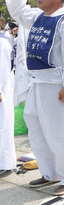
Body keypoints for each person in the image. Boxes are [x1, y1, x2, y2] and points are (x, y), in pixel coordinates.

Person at [5, 0, 64, 195]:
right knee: (36, 130)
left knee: (60, 132)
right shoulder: (39, 17)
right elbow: (19, 13)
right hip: (37, 83)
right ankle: (50, 173)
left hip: (57, 84)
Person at [0, 32, 15, 176]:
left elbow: (3, 68)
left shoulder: (2, 42)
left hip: (2, 90)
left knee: (3, 126)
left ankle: (5, 163)